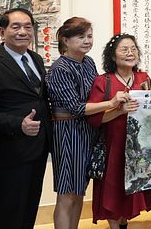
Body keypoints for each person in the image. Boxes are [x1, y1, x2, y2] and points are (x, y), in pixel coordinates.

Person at [46, 17, 126, 229]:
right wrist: (111, 103)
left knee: (79, 191)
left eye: (89, 36)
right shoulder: (60, 68)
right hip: (68, 132)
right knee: (67, 194)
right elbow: (75, 107)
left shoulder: (88, 62)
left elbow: (98, 93)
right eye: (80, 37)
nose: (87, 41)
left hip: (88, 131)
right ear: (65, 40)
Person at [87, 33, 151, 229]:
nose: (130, 53)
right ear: (112, 56)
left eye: (133, 49)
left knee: (130, 189)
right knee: (112, 189)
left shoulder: (143, 78)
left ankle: (124, 224)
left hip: (138, 146)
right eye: (124, 49)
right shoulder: (103, 81)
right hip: (113, 145)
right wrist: (120, 111)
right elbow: (95, 119)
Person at [0, 7, 51, 229]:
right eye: (16, 27)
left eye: (28, 27)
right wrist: (19, 124)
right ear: (2, 32)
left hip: (38, 147)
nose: (22, 32)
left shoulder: (35, 58)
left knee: (29, 206)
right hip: (9, 151)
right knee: (9, 211)